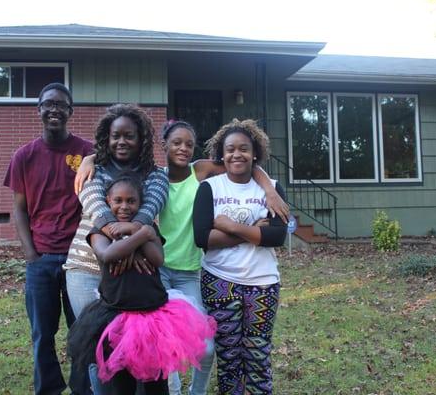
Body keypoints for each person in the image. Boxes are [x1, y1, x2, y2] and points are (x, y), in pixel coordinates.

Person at [75, 120, 290, 394]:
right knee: (161, 347)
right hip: (156, 268)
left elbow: (244, 161)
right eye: (176, 143)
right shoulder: (152, 176)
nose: (183, 149)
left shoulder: (199, 172)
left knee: (207, 345)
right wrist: (89, 159)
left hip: (190, 272)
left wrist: (270, 190)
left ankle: (196, 392)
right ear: (164, 146)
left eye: (189, 144)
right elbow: (120, 176)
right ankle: (173, 390)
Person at [67, 172, 216, 395]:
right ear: (108, 201)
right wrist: (141, 234)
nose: (124, 206)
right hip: (116, 318)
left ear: (140, 203)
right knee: (121, 383)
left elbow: (157, 259)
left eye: (131, 201)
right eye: (118, 201)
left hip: (152, 317)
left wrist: (142, 232)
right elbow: (108, 255)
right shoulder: (100, 232)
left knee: (156, 383)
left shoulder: (149, 230)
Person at [64, 104, 168, 394]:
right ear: (106, 138)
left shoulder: (156, 176)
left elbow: (147, 213)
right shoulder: (92, 170)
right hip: (86, 268)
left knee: (134, 351)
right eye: (115, 136)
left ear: (141, 139)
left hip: (134, 274)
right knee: (98, 346)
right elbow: (97, 209)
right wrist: (130, 240)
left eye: (129, 136)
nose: (121, 141)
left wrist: (129, 245)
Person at [3, 83, 94, 395]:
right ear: (38, 110)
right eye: (48, 104)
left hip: (79, 260)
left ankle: (83, 388)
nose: (54, 109)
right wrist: (30, 254)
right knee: (42, 332)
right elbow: (19, 209)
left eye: (61, 105)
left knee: (81, 329)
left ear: (70, 111)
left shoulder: (86, 152)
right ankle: (49, 389)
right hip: (40, 260)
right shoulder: (24, 156)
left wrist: (95, 158)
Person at [193, 118, 287, 395]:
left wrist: (229, 226)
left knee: (258, 355)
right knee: (229, 357)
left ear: (255, 153)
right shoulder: (210, 188)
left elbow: (277, 236)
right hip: (219, 281)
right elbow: (203, 239)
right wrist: (253, 231)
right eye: (230, 149)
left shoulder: (272, 188)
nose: (237, 154)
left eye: (244, 149)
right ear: (221, 154)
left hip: (263, 283)